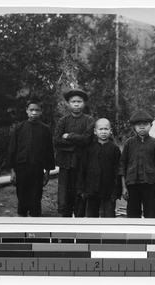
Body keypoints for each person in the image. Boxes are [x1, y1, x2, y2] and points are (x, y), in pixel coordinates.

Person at [7, 98, 55, 217]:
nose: (34, 113)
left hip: (37, 169)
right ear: (27, 111)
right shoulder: (19, 128)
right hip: (21, 168)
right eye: (31, 110)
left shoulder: (45, 129)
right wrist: (12, 171)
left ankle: (35, 215)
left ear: (41, 111)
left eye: (37, 110)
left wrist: (47, 172)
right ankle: (22, 215)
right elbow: (12, 150)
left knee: (36, 194)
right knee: (22, 193)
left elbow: (49, 151)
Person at [53, 89, 95, 217]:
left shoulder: (89, 120)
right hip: (65, 163)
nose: (76, 104)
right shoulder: (63, 121)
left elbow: (87, 139)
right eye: (73, 101)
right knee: (65, 194)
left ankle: (79, 218)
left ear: (84, 103)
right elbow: (56, 141)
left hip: (82, 163)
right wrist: (76, 142)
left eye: (79, 101)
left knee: (80, 193)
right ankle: (66, 219)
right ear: (68, 103)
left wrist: (68, 136)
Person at [119, 109, 155, 218]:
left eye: (145, 124)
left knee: (151, 214)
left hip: (150, 184)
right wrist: (124, 187)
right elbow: (122, 165)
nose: (142, 127)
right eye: (139, 125)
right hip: (132, 184)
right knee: (133, 214)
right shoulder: (129, 143)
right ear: (133, 127)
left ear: (151, 125)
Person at [76, 118, 121, 217]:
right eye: (101, 129)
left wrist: (115, 192)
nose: (104, 132)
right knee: (91, 219)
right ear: (95, 131)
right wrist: (82, 190)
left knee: (108, 219)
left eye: (106, 129)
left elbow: (118, 171)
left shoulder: (114, 149)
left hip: (108, 192)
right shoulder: (89, 148)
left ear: (111, 131)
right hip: (91, 191)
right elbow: (82, 169)